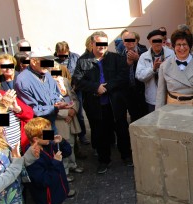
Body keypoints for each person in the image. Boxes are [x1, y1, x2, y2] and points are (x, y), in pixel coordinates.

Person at [73, 31, 132, 174]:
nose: (102, 47)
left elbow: (123, 77)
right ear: (92, 44)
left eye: (104, 44)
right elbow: (77, 81)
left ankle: (126, 156)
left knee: (122, 131)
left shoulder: (116, 58)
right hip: (95, 106)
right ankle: (104, 160)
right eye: (98, 43)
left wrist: (106, 87)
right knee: (100, 134)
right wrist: (95, 88)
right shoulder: (82, 61)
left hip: (116, 104)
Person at [24, 117, 78, 204]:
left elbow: (67, 152)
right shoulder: (33, 157)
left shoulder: (48, 144)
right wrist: (55, 162)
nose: (51, 135)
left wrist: (61, 142)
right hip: (49, 200)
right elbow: (43, 180)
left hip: (58, 194)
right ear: (36, 139)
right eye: (47, 133)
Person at [0, 101, 39, 204]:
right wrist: (16, 164)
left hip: (14, 202)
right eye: (2, 118)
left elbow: (14, 164)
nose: (6, 122)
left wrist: (29, 156)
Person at [15, 46, 72, 133]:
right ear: (34, 61)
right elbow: (32, 109)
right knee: (46, 144)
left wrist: (59, 102)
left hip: (51, 122)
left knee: (56, 144)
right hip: (38, 127)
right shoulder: (23, 80)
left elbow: (55, 93)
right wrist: (54, 107)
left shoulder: (47, 74)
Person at [51, 62, 83, 185]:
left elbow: (74, 97)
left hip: (71, 117)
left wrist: (73, 111)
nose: (55, 72)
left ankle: (73, 164)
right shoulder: (48, 84)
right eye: (53, 70)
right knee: (62, 145)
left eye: (57, 69)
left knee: (72, 142)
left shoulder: (64, 80)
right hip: (59, 120)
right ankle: (65, 171)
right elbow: (51, 106)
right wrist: (65, 114)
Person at [136, 29, 174, 112]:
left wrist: (166, 68)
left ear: (163, 41)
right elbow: (139, 76)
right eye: (154, 41)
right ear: (150, 42)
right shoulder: (143, 56)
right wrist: (153, 69)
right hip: (152, 98)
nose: (157, 43)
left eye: (159, 40)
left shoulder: (171, 54)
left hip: (170, 96)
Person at [121, 31, 148, 122]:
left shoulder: (144, 52)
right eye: (127, 40)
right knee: (134, 115)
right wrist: (127, 64)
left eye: (132, 39)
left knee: (146, 114)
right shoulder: (120, 56)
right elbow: (120, 75)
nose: (130, 42)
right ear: (123, 42)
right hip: (129, 91)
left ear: (136, 41)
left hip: (143, 89)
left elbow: (151, 68)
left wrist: (138, 58)